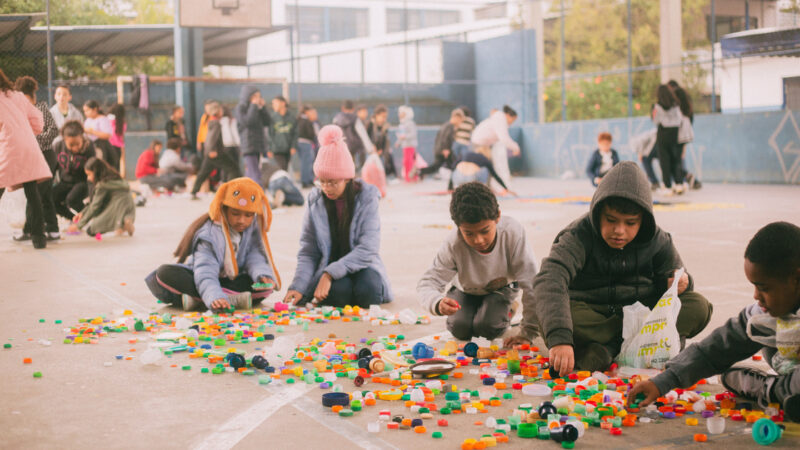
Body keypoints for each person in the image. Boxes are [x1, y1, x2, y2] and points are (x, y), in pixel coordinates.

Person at [510, 162, 713, 375]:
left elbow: (679, 279)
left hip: (640, 317)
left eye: (630, 223)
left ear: (643, 220)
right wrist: (560, 339)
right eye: (611, 220)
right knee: (557, 316)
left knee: (698, 305)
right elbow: (550, 278)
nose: (619, 231)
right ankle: (638, 348)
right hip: (593, 316)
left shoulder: (658, 239)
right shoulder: (578, 235)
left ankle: (608, 350)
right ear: (597, 213)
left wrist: (676, 282)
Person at [628, 222, 800, 422]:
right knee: (760, 329)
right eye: (754, 286)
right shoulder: (764, 314)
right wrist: (663, 381)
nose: (756, 296)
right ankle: (781, 392)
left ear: (796, 279)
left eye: (764, 288)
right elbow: (719, 346)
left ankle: (766, 389)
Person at [283, 125, 392, 308]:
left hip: (361, 266)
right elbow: (308, 250)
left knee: (368, 293)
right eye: (322, 181)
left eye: (333, 182)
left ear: (347, 178)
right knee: (337, 296)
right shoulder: (315, 201)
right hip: (330, 265)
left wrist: (329, 274)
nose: (326, 188)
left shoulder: (366, 198)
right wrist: (298, 286)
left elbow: (368, 248)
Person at [417, 182, 539, 341]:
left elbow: (532, 283)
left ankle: (509, 308)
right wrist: (437, 302)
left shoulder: (512, 233)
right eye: (469, 233)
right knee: (459, 328)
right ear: (458, 227)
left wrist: (528, 332)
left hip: (501, 288)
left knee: (486, 328)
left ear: (497, 217)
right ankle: (476, 309)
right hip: (466, 290)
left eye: (485, 231)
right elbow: (427, 283)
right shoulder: (453, 244)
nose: (479, 240)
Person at [145, 177, 280, 312]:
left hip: (229, 281)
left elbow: (254, 256)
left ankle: (198, 301)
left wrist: (262, 275)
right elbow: (205, 272)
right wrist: (214, 296)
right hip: (202, 278)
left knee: (265, 286)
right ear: (224, 209)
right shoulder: (209, 235)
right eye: (235, 213)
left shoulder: (251, 229)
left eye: (248, 215)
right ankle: (226, 299)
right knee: (164, 273)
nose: (242, 220)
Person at [0, 69, 51, 249]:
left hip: (8, 147)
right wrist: (25, 132)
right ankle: (39, 237)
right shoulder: (18, 96)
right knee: (32, 192)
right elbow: (38, 120)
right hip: (28, 147)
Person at [13, 76, 60, 242]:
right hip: (30, 158)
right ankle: (53, 230)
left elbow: (53, 131)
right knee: (44, 195)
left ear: (32, 96)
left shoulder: (41, 107)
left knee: (36, 194)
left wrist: (33, 141)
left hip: (46, 156)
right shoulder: (16, 111)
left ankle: (29, 230)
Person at [68, 157, 135, 237]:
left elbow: (95, 206)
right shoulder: (115, 177)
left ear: (96, 172)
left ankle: (121, 225)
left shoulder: (102, 185)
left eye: (89, 174)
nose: (88, 178)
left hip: (116, 207)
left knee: (91, 230)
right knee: (120, 221)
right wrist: (83, 213)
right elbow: (94, 204)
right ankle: (125, 221)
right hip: (129, 205)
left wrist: (78, 225)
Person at [191, 101, 242, 199]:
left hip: (211, 153)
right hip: (216, 153)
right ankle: (231, 193)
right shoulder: (216, 124)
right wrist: (212, 150)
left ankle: (194, 192)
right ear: (217, 111)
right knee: (233, 169)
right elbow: (211, 139)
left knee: (204, 172)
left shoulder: (211, 121)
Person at [52, 121, 95, 221]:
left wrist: (93, 192)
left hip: (82, 182)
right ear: (64, 140)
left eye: (77, 144)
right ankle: (74, 219)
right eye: (71, 145)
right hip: (65, 182)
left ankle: (90, 217)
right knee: (50, 198)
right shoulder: (58, 146)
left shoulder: (89, 147)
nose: (75, 148)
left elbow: (93, 170)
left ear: (82, 138)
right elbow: (52, 168)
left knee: (72, 199)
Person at [471, 105, 520, 191]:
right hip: (479, 144)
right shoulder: (500, 119)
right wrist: (515, 148)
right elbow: (504, 138)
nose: (512, 122)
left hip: (482, 144)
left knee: (488, 166)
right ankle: (481, 188)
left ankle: (488, 188)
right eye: (513, 120)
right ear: (508, 115)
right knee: (485, 166)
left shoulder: (498, 118)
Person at [668, 80, 701, 190]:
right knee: (679, 158)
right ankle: (684, 179)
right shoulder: (686, 102)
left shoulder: (677, 101)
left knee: (676, 159)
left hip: (678, 134)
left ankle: (683, 180)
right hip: (685, 134)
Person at [653, 85, 684, 196]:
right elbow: (680, 119)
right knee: (676, 159)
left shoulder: (657, 106)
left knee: (664, 161)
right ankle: (679, 184)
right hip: (675, 133)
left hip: (663, 134)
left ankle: (667, 186)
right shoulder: (676, 105)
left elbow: (656, 120)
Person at [235, 86, 271, 181]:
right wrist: (254, 106)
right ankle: (259, 194)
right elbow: (248, 122)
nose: (258, 98)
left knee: (251, 172)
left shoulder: (256, 108)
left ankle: (247, 192)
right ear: (248, 96)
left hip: (258, 145)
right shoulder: (241, 108)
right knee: (255, 173)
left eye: (259, 96)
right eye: (255, 96)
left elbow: (267, 122)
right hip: (248, 145)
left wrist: (263, 108)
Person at [421, 108, 463, 179]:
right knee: (453, 165)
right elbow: (446, 138)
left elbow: (439, 138)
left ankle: (420, 171)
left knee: (437, 166)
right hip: (444, 150)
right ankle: (420, 171)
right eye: (460, 120)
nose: (460, 122)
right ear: (456, 117)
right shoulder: (450, 126)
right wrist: (445, 149)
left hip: (439, 149)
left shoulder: (445, 125)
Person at [450, 151, 514, 196]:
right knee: (485, 170)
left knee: (456, 167)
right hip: (471, 178)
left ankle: (456, 187)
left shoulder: (465, 154)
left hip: (457, 179)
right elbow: (495, 175)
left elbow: (453, 167)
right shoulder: (485, 159)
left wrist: (450, 187)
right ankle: (482, 190)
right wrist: (505, 188)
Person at [333, 100, 371, 171]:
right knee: (354, 170)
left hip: (342, 148)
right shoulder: (355, 118)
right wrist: (370, 149)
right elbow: (363, 135)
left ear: (342, 108)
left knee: (344, 170)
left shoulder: (336, 119)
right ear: (353, 109)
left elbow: (334, 134)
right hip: (355, 149)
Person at [82, 100, 117, 170]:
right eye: (84, 111)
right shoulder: (88, 120)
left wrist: (92, 132)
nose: (85, 113)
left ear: (95, 109)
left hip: (101, 146)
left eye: (87, 110)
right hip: (90, 145)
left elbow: (107, 135)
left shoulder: (103, 119)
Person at [269, 95, 298, 172]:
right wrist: (269, 148)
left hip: (288, 149)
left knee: (285, 168)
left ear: (283, 103)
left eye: (275, 103)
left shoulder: (291, 117)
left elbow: (295, 133)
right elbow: (270, 134)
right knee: (282, 168)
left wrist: (293, 146)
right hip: (276, 149)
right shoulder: (273, 118)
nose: (273, 106)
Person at [367, 105, 396, 179]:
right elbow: (367, 138)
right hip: (370, 151)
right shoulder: (370, 124)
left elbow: (385, 140)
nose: (384, 119)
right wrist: (373, 148)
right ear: (377, 115)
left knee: (388, 156)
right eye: (383, 116)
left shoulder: (384, 126)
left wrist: (381, 150)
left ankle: (390, 176)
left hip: (380, 151)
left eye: (385, 117)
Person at [296, 104, 319, 188]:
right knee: (306, 162)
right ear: (306, 112)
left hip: (303, 143)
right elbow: (310, 133)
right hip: (305, 143)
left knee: (307, 162)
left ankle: (308, 180)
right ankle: (305, 181)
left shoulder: (300, 119)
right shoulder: (305, 120)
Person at [395, 105, 418, 183]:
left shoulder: (410, 123)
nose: (399, 114)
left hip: (410, 145)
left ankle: (411, 177)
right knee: (406, 162)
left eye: (401, 113)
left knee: (409, 161)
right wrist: (398, 142)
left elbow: (413, 134)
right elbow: (401, 135)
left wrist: (404, 137)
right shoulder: (402, 124)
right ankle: (408, 177)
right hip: (405, 146)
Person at [108, 103, 126, 172]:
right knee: (116, 167)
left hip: (109, 145)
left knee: (109, 166)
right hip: (117, 147)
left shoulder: (109, 120)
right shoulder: (122, 123)